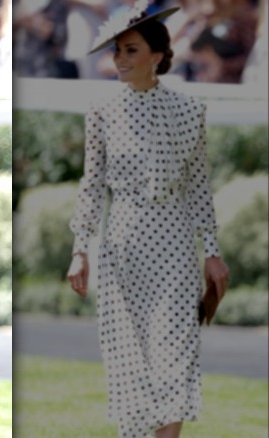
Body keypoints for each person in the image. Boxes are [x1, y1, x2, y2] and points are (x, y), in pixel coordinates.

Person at [67, 3, 229, 438]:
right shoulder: (101, 110)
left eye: (131, 50)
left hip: (175, 248)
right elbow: (91, 183)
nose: (120, 59)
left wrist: (211, 253)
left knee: (174, 356)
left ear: (157, 56)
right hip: (121, 248)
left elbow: (198, 187)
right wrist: (79, 249)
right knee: (129, 360)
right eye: (117, 51)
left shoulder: (190, 112)